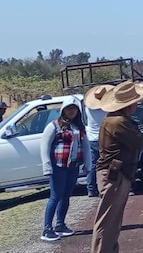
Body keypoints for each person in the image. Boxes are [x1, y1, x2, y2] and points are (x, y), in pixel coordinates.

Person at [92, 81, 143, 253]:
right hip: (114, 174)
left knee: (112, 220)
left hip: (115, 172)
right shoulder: (118, 122)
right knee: (108, 221)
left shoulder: (115, 119)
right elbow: (138, 141)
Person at [39, 98, 86, 242]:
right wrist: (47, 166)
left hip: (73, 166)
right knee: (55, 196)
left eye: (74, 108)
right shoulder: (53, 126)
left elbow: (85, 146)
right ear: (63, 110)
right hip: (58, 167)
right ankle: (47, 229)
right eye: (68, 108)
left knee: (66, 195)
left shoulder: (78, 127)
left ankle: (60, 225)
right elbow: (44, 146)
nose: (71, 111)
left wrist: (88, 165)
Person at [83, 85, 112, 198]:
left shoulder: (88, 108)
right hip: (104, 137)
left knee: (93, 164)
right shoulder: (106, 108)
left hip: (92, 138)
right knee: (107, 164)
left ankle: (91, 188)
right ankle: (106, 185)